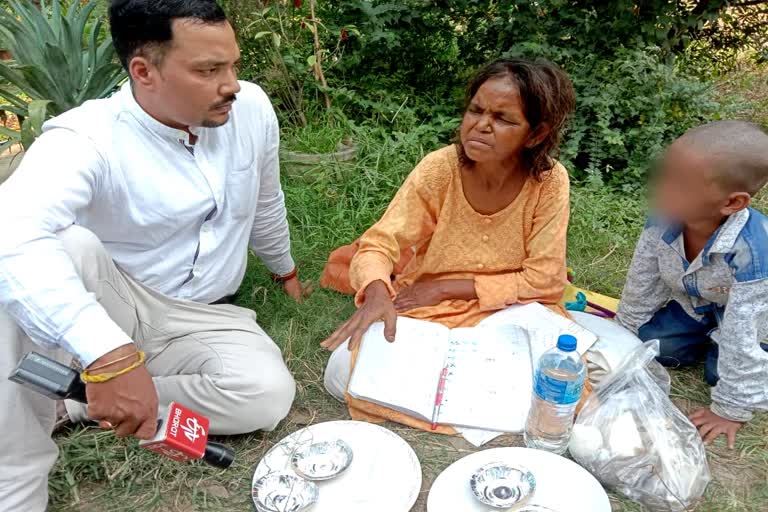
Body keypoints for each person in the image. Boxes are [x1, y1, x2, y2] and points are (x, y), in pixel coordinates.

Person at [0, 1, 306, 510]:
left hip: (204, 315)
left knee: (267, 393)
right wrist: (110, 355)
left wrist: (284, 268)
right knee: (61, 245)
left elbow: (265, 199)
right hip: (112, 301)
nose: (231, 84)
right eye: (208, 71)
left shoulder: (250, 108)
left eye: (233, 65)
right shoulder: (87, 136)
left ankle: (71, 399)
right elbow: (12, 229)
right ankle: (14, 479)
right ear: (144, 71)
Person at [321, 58, 577, 411]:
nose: (481, 126)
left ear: (536, 134)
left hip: (510, 310)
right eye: (475, 110)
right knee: (340, 370)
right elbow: (379, 244)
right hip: (430, 310)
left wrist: (444, 286)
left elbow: (546, 280)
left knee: (565, 377)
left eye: (502, 119)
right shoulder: (441, 168)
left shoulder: (549, 182)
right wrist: (378, 290)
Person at [617, 120, 768, 450]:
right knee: (653, 345)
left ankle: (728, 359)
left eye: (680, 183)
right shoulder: (663, 220)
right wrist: (619, 340)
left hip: (752, 321)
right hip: (697, 306)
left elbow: (744, 334)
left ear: (732, 203)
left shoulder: (753, 254)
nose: (661, 188)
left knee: (723, 375)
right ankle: (707, 339)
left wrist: (731, 410)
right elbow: (643, 281)